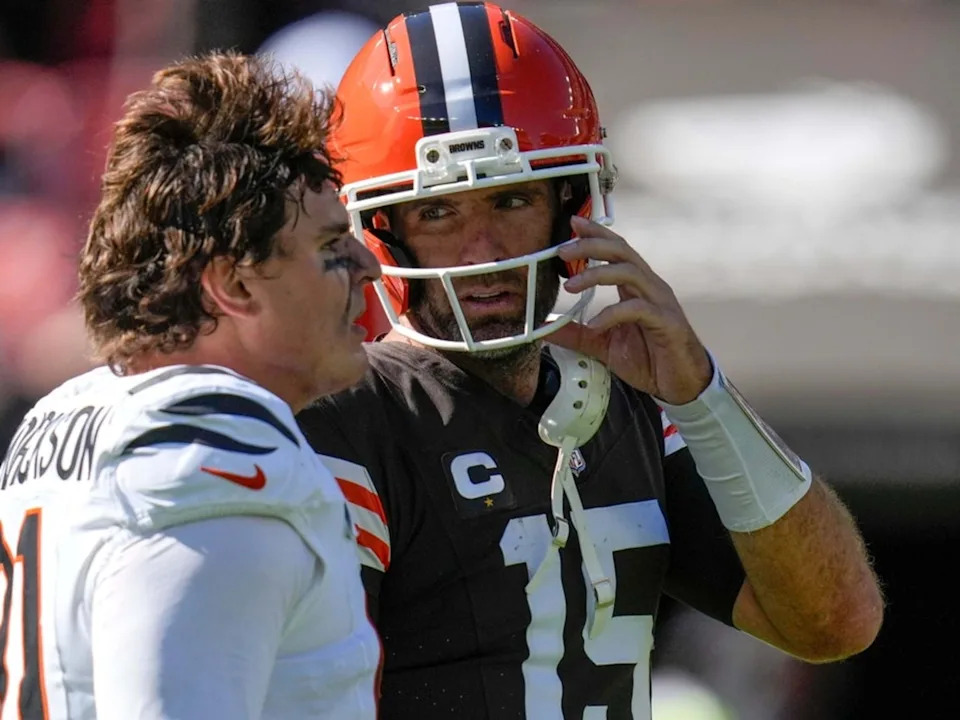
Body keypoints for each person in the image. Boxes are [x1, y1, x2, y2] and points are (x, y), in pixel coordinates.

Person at [297, 3, 884, 719]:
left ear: (571, 202)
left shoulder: (625, 405)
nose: (483, 254)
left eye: (511, 199)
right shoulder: (346, 428)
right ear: (381, 229)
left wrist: (703, 395)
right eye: (441, 212)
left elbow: (833, 621)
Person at [0, 51, 382, 719]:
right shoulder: (219, 453)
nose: (368, 265)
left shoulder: (67, 413)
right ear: (234, 283)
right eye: (330, 247)